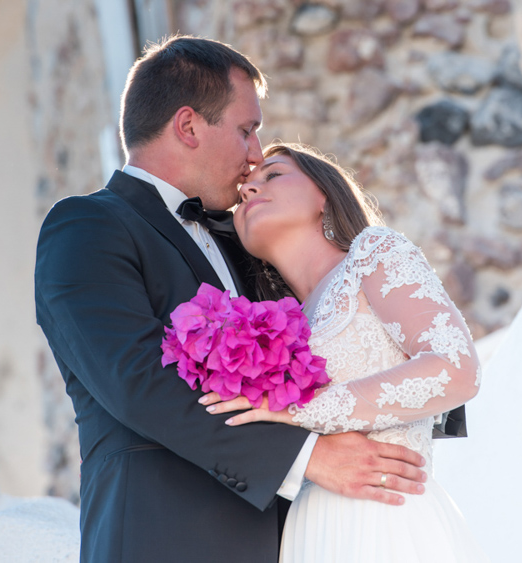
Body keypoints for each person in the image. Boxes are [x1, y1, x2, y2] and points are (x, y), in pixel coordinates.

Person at [34, 36, 428, 563]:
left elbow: (332, 343)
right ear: (188, 126)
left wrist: (409, 402)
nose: (256, 155)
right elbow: (136, 380)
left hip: (295, 540)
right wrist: (308, 457)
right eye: (246, 130)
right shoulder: (88, 226)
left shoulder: (242, 239)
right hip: (163, 539)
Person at [202, 143, 489, 562]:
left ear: (324, 195)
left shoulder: (373, 254)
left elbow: (456, 370)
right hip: (307, 534)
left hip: (387, 521)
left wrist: (298, 409)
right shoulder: (273, 326)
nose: (248, 190)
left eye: (273, 174)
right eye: (243, 191)